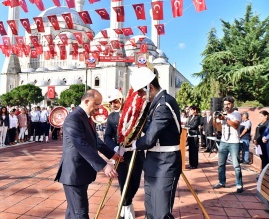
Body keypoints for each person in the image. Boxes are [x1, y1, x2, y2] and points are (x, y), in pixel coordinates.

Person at [54, 89, 121, 219]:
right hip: (73, 173)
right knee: (80, 214)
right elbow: (81, 144)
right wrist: (104, 165)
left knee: (73, 212)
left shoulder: (85, 117)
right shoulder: (73, 118)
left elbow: (95, 141)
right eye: (96, 104)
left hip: (81, 173)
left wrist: (112, 154)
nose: (99, 108)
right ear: (86, 101)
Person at [130, 67, 182, 219]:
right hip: (154, 161)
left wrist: (134, 144)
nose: (139, 95)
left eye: (140, 91)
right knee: (151, 209)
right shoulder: (157, 104)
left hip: (165, 163)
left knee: (161, 212)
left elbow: (149, 139)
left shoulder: (164, 105)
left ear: (150, 87)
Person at [104, 89, 144, 218]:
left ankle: (125, 203)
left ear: (121, 100)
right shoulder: (112, 116)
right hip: (120, 154)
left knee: (135, 182)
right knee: (123, 182)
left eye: (115, 101)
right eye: (111, 103)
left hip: (136, 152)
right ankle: (126, 208)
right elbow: (107, 137)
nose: (113, 105)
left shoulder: (134, 113)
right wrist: (114, 148)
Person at [212, 96, 243, 193]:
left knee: (236, 165)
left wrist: (225, 118)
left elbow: (235, 125)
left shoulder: (236, 114)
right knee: (221, 164)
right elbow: (217, 128)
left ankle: (239, 184)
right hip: (224, 141)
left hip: (234, 142)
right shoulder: (222, 114)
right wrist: (215, 118)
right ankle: (222, 182)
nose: (226, 106)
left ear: (232, 104)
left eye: (228, 104)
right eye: (225, 104)